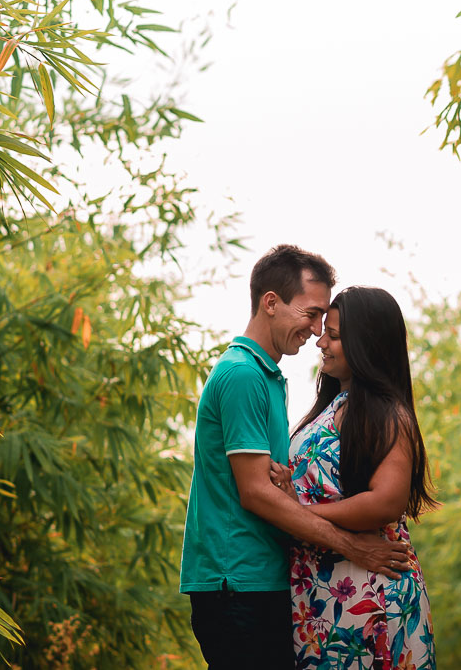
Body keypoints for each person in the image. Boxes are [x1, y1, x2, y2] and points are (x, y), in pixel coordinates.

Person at [180, 246, 414, 670]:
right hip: (238, 582)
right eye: (312, 313)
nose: (317, 330)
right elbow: (256, 493)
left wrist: (297, 500)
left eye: (326, 321)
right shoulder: (243, 375)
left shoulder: (268, 378)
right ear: (271, 302)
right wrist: (353, 547)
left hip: (269, 582)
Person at [272, 286, 438, 669]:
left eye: (333, 335)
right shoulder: (333, 407)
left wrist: (299, 513)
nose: (321, 342)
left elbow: (386, 502)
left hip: (370, 591)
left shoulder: (386, 413)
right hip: (324, 591)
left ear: (365, 344)